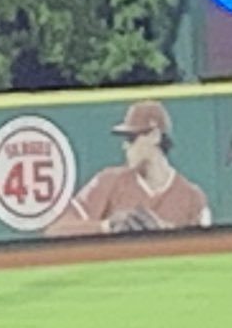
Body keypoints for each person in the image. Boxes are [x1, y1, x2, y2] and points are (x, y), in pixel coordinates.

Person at [44, 101, 211, 236]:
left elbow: (207, 257)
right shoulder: (108, 181)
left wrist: (165, 234)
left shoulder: (192, 197)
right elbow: (56, 231)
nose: (125, 146)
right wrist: (105, 226)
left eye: (131, 138)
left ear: (154, 136)